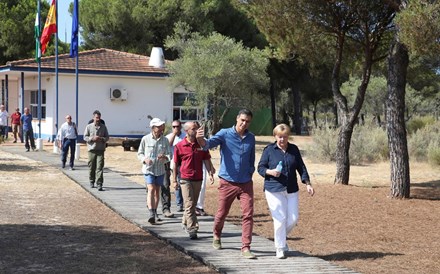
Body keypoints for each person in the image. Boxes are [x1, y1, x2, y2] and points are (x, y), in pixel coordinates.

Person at [196, 108, 257, 259]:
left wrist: (250, 170)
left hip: (245, 182)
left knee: (248, 214)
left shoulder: (251, 138)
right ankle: (216, 235)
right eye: (242, 120)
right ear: (237, 119)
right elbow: (207, 145)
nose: (244, 123)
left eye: (247, 121)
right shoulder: (224, 133)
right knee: (222, 213)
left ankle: (245, 247)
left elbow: (251, 157)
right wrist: (200, 139)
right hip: (227, 181)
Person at [257, 123, 315, 259]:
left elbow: (301, 167)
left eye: (285, 136)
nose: (282, 140)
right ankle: (280, 247)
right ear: (275, 136)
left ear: (288, 136)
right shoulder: (269, 150)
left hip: (291, 189)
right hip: (273, 189)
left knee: (293, 219)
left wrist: (307, 183)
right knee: (280, 218)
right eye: (279, 137)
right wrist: (270, 172)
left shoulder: (294, 149)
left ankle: (280, 238)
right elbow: (260, 168)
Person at [173, 121, 214, 239]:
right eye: (193, 129)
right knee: (190, 203)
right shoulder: (179, 146)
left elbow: (206, 159)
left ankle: (185, 221)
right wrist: (174, 180)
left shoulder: (201, 145)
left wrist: (210, 172)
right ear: (186, 131)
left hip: (198, 178)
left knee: (192, 204)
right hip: (185, 179)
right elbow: (175, 164)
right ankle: (193, 228)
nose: (196, 131)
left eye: (197, 128)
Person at [137, 118, 171, 224]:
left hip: (160, 169)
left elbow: (170, 155)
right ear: (153, 128)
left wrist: (165, 157)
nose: (161, 128)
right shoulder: (145, 139)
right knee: (151, 189)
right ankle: (151, 213)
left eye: (161, 126)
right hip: (149, 169)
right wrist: (144, 159)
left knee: (157, 191)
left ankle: (155, 212)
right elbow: (140, 153)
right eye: (158, 126)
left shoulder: (165, 140)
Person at [83, 110, 109, 191]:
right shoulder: (89, 127)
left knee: (99, 167)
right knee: (92, 167)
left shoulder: (103, 127)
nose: (98, 119)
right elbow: (85, 137)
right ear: (93, 117)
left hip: (100, 150)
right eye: (96, 117)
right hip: (92, 150)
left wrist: (101, 139)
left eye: (99, 118)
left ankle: (99, 184)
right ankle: (91, 180)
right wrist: (92, 138)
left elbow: (107, 137)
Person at [166, 119, 186, 212]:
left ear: (180, 126)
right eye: (174, 126)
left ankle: (185, 203)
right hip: (173, 164)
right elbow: (168, 145)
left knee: (184, 183)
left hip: (184, 164)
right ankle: (179, 204)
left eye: (177, 126)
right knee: (176, 183)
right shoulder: (169, 136)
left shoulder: (185, 136)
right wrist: (174, 134)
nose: (176, 128)